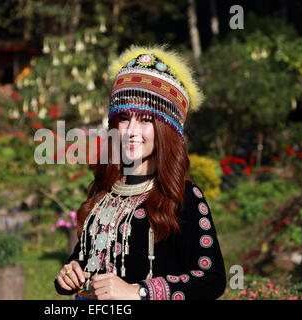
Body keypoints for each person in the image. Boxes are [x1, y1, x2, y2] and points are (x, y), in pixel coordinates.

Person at [54, 44, 226, 300]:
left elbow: (212, 279)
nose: (131, 131)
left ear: (167, 130)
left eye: (145, 119)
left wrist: (139, 291)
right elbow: (84, 257)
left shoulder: (182, 197)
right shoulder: (105, 190)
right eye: (124, 118)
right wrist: (69, 273)